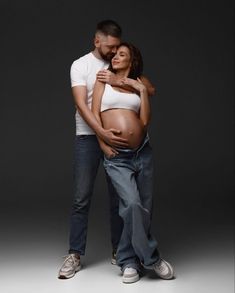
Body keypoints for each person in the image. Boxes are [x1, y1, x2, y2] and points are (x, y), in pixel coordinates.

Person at [58, 20, 155, 279]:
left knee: (121, 199)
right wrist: (100, 134)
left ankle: (119, 251)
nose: (113, 52)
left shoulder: (119, 64)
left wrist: (123, 81)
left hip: (120, 145)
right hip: (88, 138)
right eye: (110, 47)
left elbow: (146, 87)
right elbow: (82, 103)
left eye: (117, 48)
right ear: (96, 41)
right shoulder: (81, 65)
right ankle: (74, 254)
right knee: (82, 197)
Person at [92, 42, 174, 283]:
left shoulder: (140, 82)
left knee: (143, 211)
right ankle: (151, 259)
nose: (115, 57)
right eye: (115, 54)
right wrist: (102, 144)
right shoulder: (103, 80)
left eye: (122, 54)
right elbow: (95, 114)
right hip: (117, 157)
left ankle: (129, 263)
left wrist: (139, 89)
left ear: (132, 60)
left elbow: (145, 120)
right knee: (132, 205)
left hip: (142, 152)